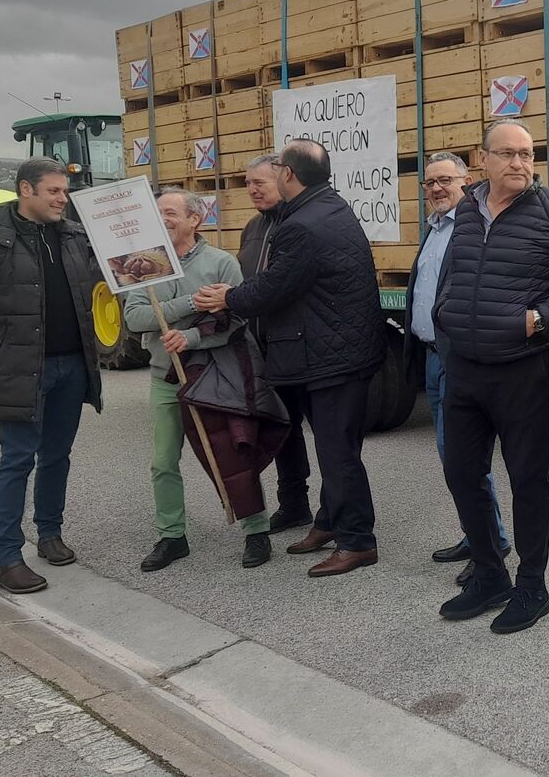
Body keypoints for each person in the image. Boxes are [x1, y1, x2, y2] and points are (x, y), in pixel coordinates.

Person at [434, 119, 549, 633]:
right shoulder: (465, 209)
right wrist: (445, 317)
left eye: (527, 154)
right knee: (462, 472)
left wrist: (538, 319)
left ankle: (532, 586)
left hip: (524, 368)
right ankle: (490, 574)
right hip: (463, 366)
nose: (519, 164)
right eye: (507, 154)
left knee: (529, 480)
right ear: (481, 159)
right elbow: (455, 273)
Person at [195, 139, 385, 578]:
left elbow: (274, 287)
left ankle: (357, 541)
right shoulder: (329, 206)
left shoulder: (301, 225)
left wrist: (229, 297)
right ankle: (329, 522)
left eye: (277, 167)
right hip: (338, 349)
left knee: (338, 454)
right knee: (335, 448)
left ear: (289, 175)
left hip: (331, 357)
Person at [0, 157, 104, 595]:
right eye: (54, 191)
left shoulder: (72, 237)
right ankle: (7, 558)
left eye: (65, 192)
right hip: (20, 371)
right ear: (26, 190)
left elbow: (95, 286)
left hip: (71, 366)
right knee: (16, 460)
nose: (62, 199)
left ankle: (49, 533)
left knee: (57, 455)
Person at [123, 189, 272, 573]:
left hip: (215, 373)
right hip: (165, 377)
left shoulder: (222, 263)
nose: (164, 219)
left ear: (195, 219)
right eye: (158, 214)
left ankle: (256, 530)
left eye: (171, 212)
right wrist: (189, 306)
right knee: (162, 462)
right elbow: (136, 319)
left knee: (232, 454)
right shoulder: (142, 265)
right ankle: (172, 536)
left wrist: (189, 337)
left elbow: (237, 321)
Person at [406, 151, 511, 585]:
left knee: (465, 461)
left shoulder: (472, 229)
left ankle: (492, 543)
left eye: (445, 180)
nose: (436, 188)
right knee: (453, 460)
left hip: (459, 359)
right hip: (432, 357)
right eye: (429, 182)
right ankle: (477, 534)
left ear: (466, 182)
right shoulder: (433, 230)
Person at [235, 153, 314, 535]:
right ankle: (294, 503)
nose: (252, 189)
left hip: (301, 346)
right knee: (283, 428)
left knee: (327, 435)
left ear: (283, 180)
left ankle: (334, 508)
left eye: (260, 183)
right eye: (248, 183)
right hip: (262, 348)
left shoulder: (297, 223)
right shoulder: (251, 229)